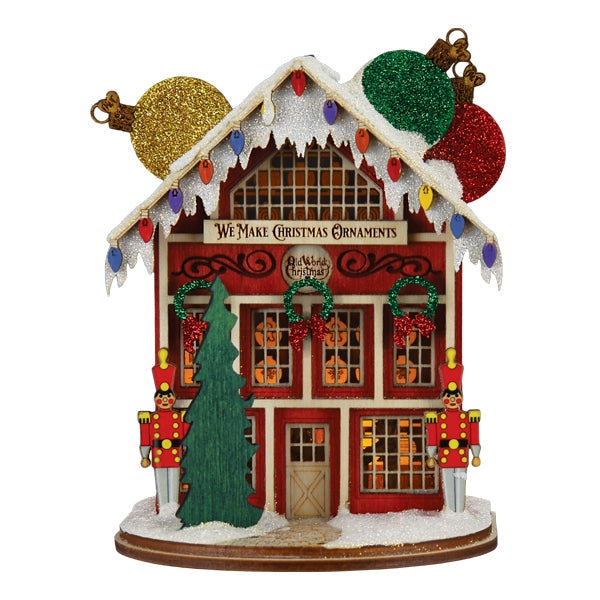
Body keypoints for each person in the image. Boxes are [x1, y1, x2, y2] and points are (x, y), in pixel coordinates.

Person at [425, 348, 481, 512]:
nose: (452, 400)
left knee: (460, 483)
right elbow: (433, 438)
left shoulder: (467, 417)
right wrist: (431, 455)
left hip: (461, 453)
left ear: (460, 398)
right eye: (448, 397)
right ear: (444, 398)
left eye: (455, 396)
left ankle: (460, 512)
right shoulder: (438, 418)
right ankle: (451, 511)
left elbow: (473, 436)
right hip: (446, 454)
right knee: (448, 484)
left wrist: (476, 455)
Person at [138, 348, 189, 510]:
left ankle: (172, 511)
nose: (165, 400)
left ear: (172, 398)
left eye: (168, 397)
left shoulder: (178, 417)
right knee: (161, 485)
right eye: (161, 397)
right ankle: (163, 511)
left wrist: (186, 421)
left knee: (174, 483)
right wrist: (145, 455)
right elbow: (146, 437)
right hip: (159, 454)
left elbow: (185, 435)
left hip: (174, 454)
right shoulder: (151, 418)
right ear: (156, 398)